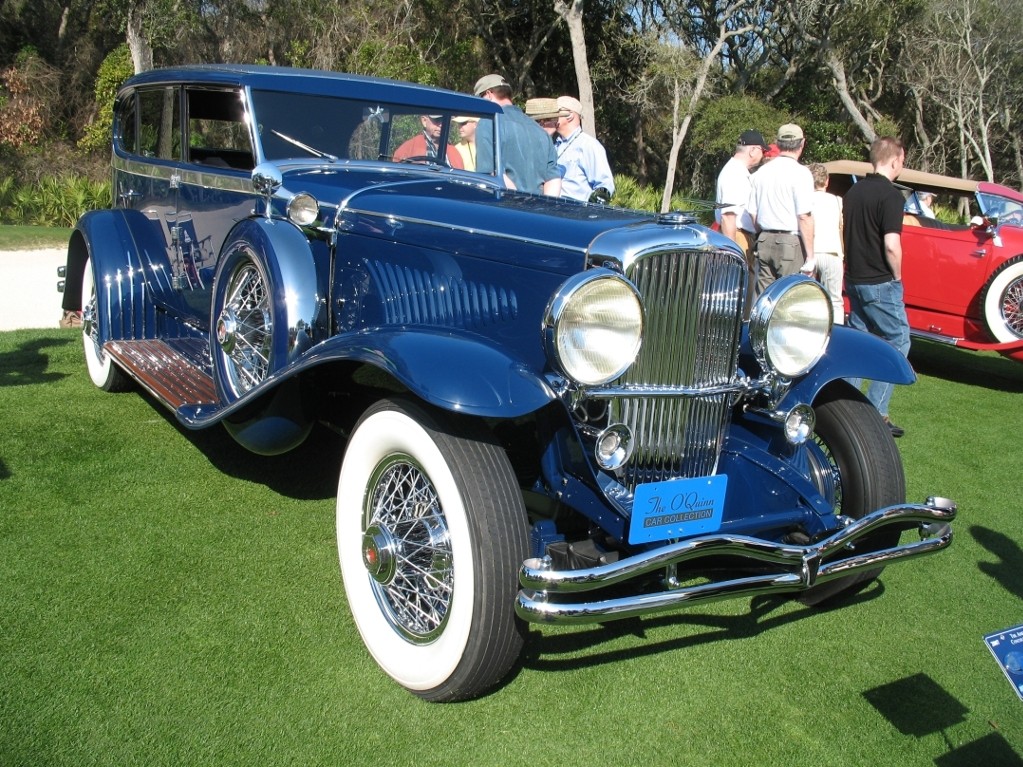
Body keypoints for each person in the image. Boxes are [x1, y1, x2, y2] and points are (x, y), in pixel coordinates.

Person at [842, 136, 910, 437]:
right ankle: (876, 413)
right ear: (895, 160)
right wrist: (897, 277)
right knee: (899, 340)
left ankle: (846, 411)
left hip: (854, 279)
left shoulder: (854, 192)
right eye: (902, 160)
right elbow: (891, 245)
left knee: (859, 344)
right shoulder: (892, 197)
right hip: (880, 281)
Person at [748, 123, 815, 294]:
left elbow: (753, 213)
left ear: (777, 144)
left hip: (764, 239)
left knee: (764, 298)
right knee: (788, 298)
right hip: (790, 243)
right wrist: (810, 256)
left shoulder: (760, 173)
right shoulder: (801, 173)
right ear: (802, 144)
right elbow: (804, 217)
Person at [473, 74, 561, 196]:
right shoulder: (540, 130)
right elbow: (553, 179)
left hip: (506, 209)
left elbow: (490, 173)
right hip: (539, 211)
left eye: (479, 98)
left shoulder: (488, 123)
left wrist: (518, 202)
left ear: (488, 94)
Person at [715, 129, 766, 298]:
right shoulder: (734, 173)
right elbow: (728, 215)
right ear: (753, 150)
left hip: (741, 236)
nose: (763, 155)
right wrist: (732, 253)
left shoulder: (737, 171)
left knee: (745, 289)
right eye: (762, 150)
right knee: (739, 290)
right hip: (737, 237)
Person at [552, 96, 615, 203]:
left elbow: (604, 185)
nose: (551, 116)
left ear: (569, 115)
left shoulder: (588, 145)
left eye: (555, 112)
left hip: (575, 214)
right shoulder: (554, 145)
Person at [809, 163, 845, 324]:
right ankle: (837, 332)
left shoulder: (806, 200)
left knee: (807, 297)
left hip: (811, 251)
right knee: (835, 301)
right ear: (827, 181)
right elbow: (840, 227)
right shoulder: (838, 201)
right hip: (832, 251)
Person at [393, 115, 464, 168]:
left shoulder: (454, 152)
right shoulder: (408, 148)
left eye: (445, 120)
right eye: (437, 120)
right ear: (424, 121)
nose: (441, 125)